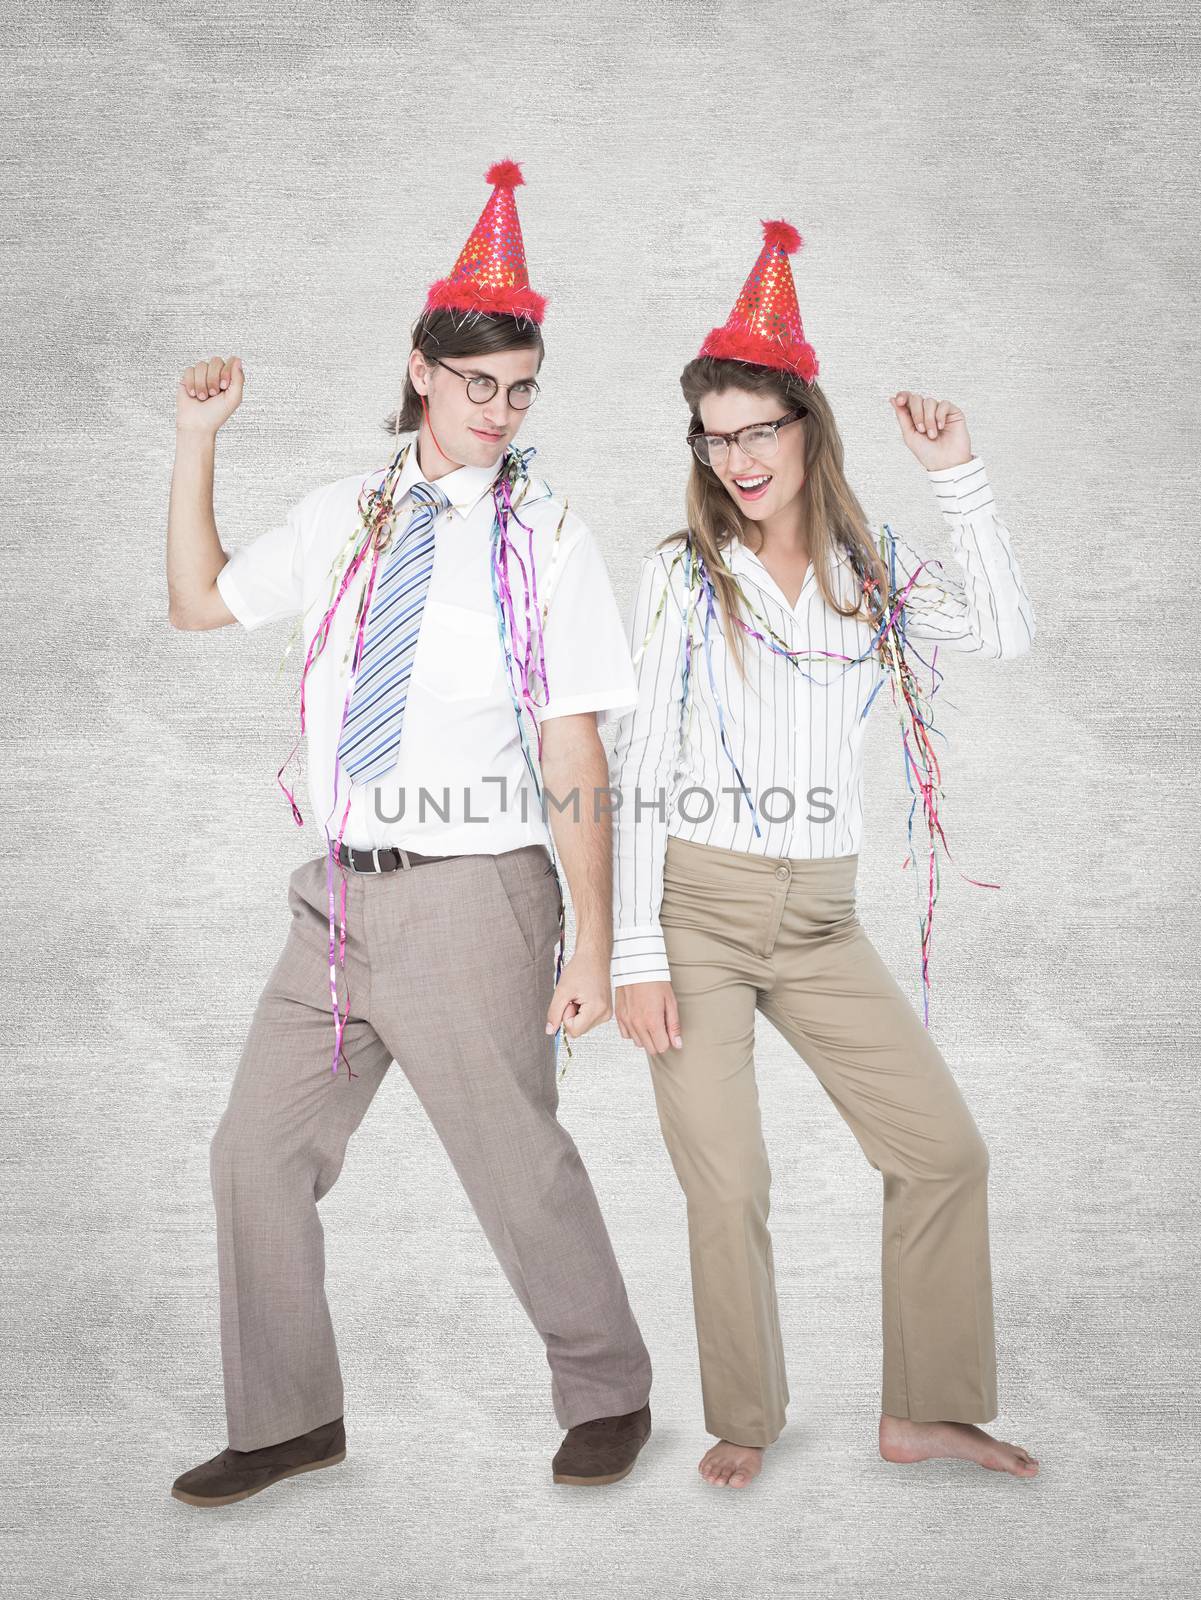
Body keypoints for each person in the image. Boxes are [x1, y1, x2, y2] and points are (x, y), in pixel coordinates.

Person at [165, 160, 652, 1506]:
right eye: (477, 382)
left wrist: (593, 946)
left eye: (520, 388)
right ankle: (288, 1420)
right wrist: (199, 441)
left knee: (513, 1161)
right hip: (333, 898)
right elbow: (201, 603)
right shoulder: (344, 515)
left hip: (470, 894)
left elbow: (572, 745)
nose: (499, 410)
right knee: (252, 1156)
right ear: (423, 374)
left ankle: (609, 1388)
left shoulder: (544, 536)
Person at [609, 218, 1039, 1490]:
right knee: (729, 1181)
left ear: (808, 428)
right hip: (695, 909)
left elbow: (1005, 633)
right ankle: (745, 1412)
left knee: (941, 1150)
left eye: (759, 428)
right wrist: (637, 950)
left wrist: (957, 472)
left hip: (822, 919)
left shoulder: (870, 570)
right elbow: (637, 774)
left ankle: (926, 1409)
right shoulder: (686, 579)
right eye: (715, 434)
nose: (737, 457)